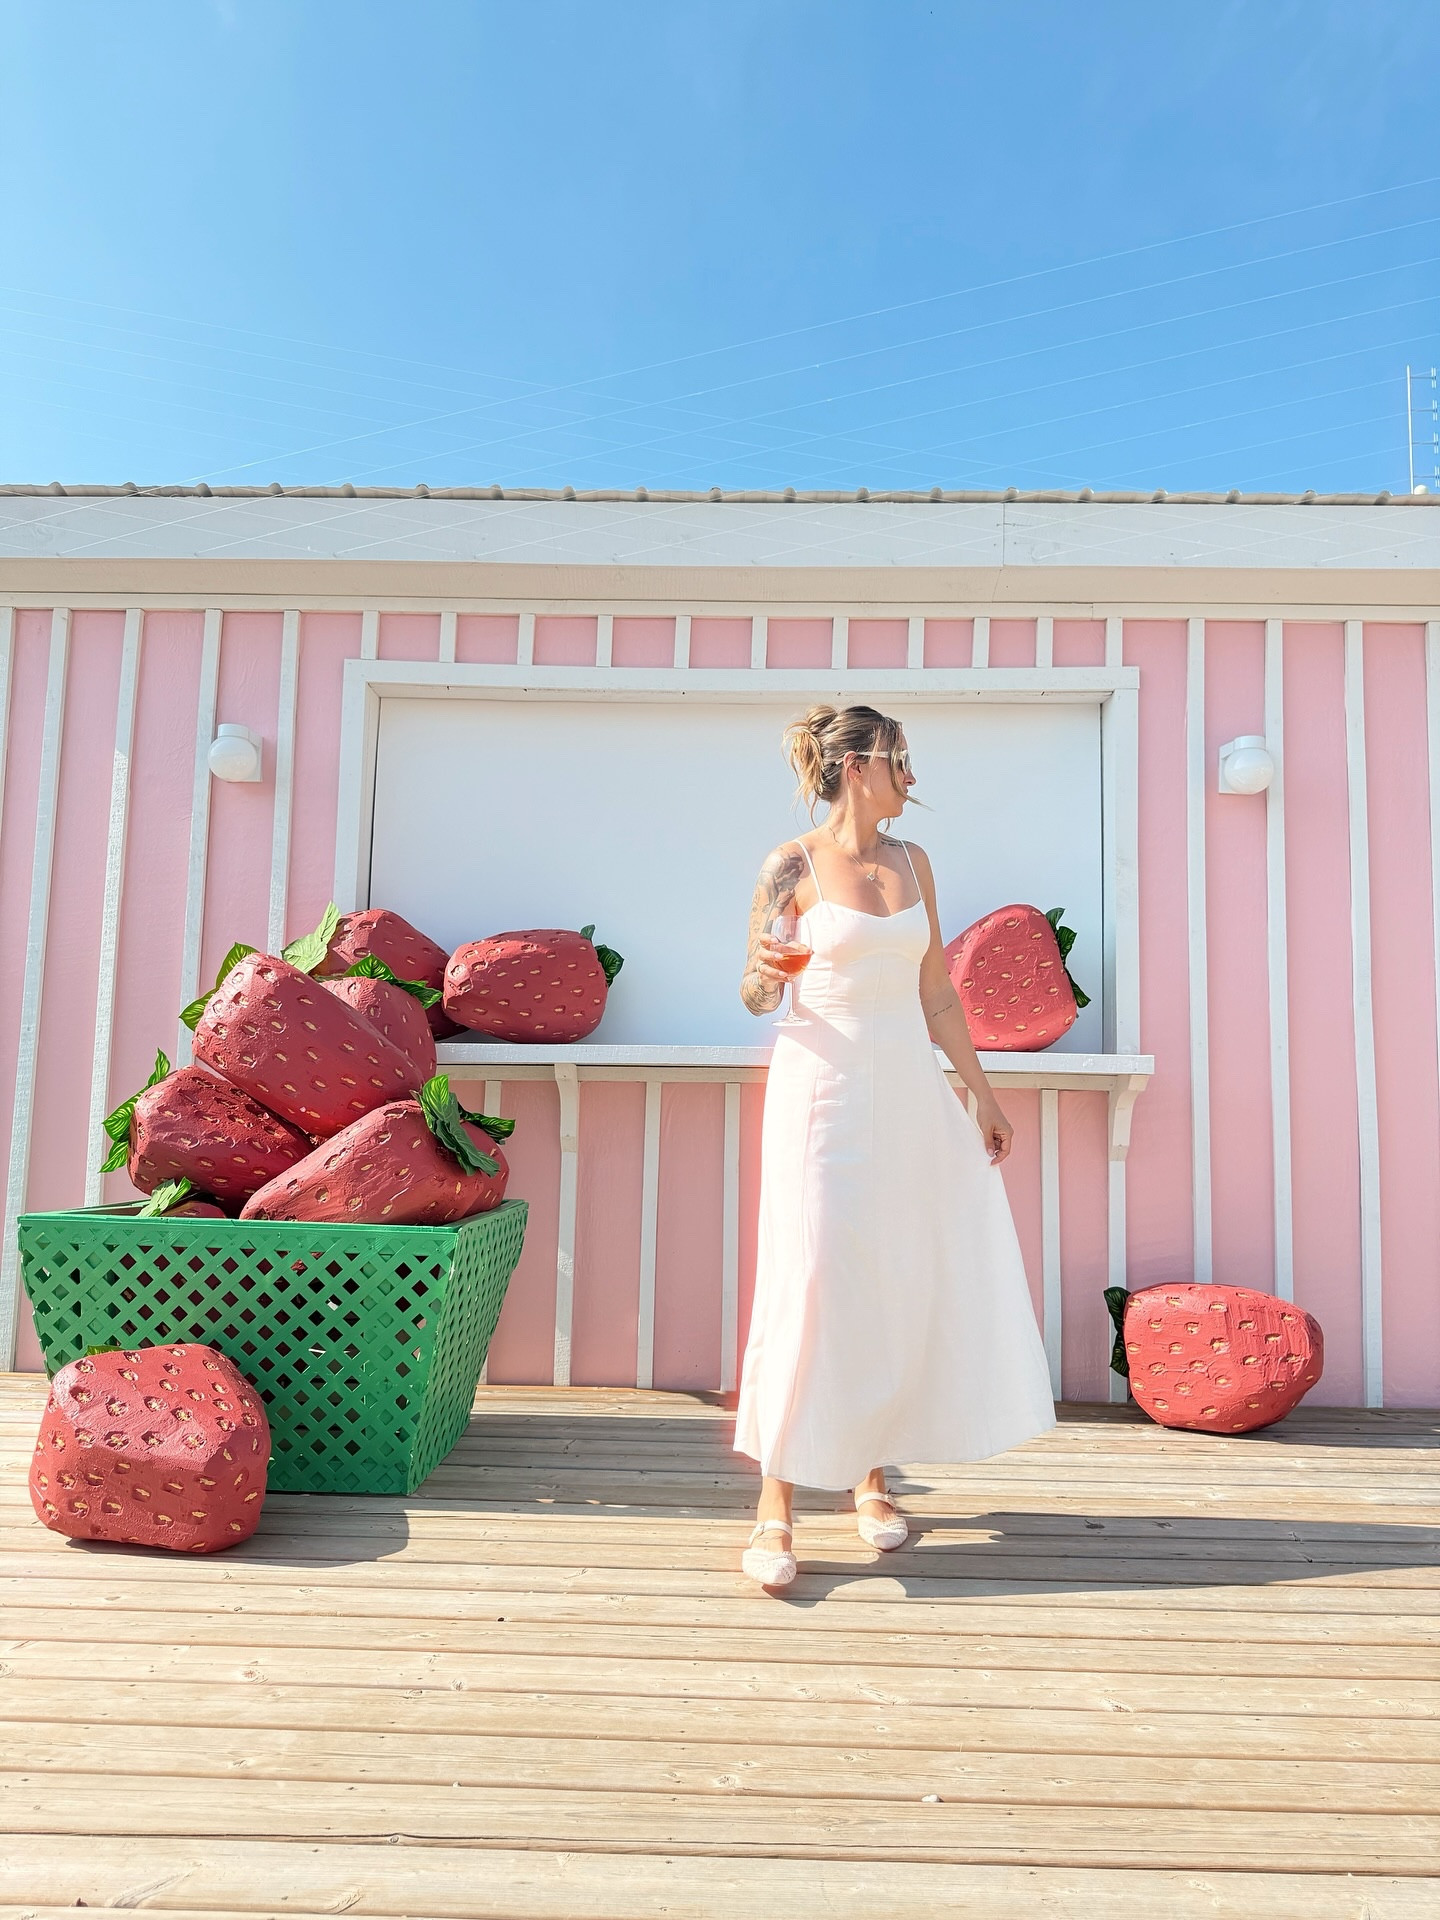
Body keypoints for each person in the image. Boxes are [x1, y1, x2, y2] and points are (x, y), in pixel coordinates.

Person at [733, 702, 1057, 1589]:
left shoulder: (914, 863)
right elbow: (757, 996)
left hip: (909, 1091)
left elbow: (938, 993)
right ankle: (774, 1506)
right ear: (856, 765)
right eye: (901, 761)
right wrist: (772, 962)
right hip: (821, 1092)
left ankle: (871, 1480)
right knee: (814, 1279)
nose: (913, 778)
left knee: (896, 1272)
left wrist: (979, 1097)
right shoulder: (788, 865)